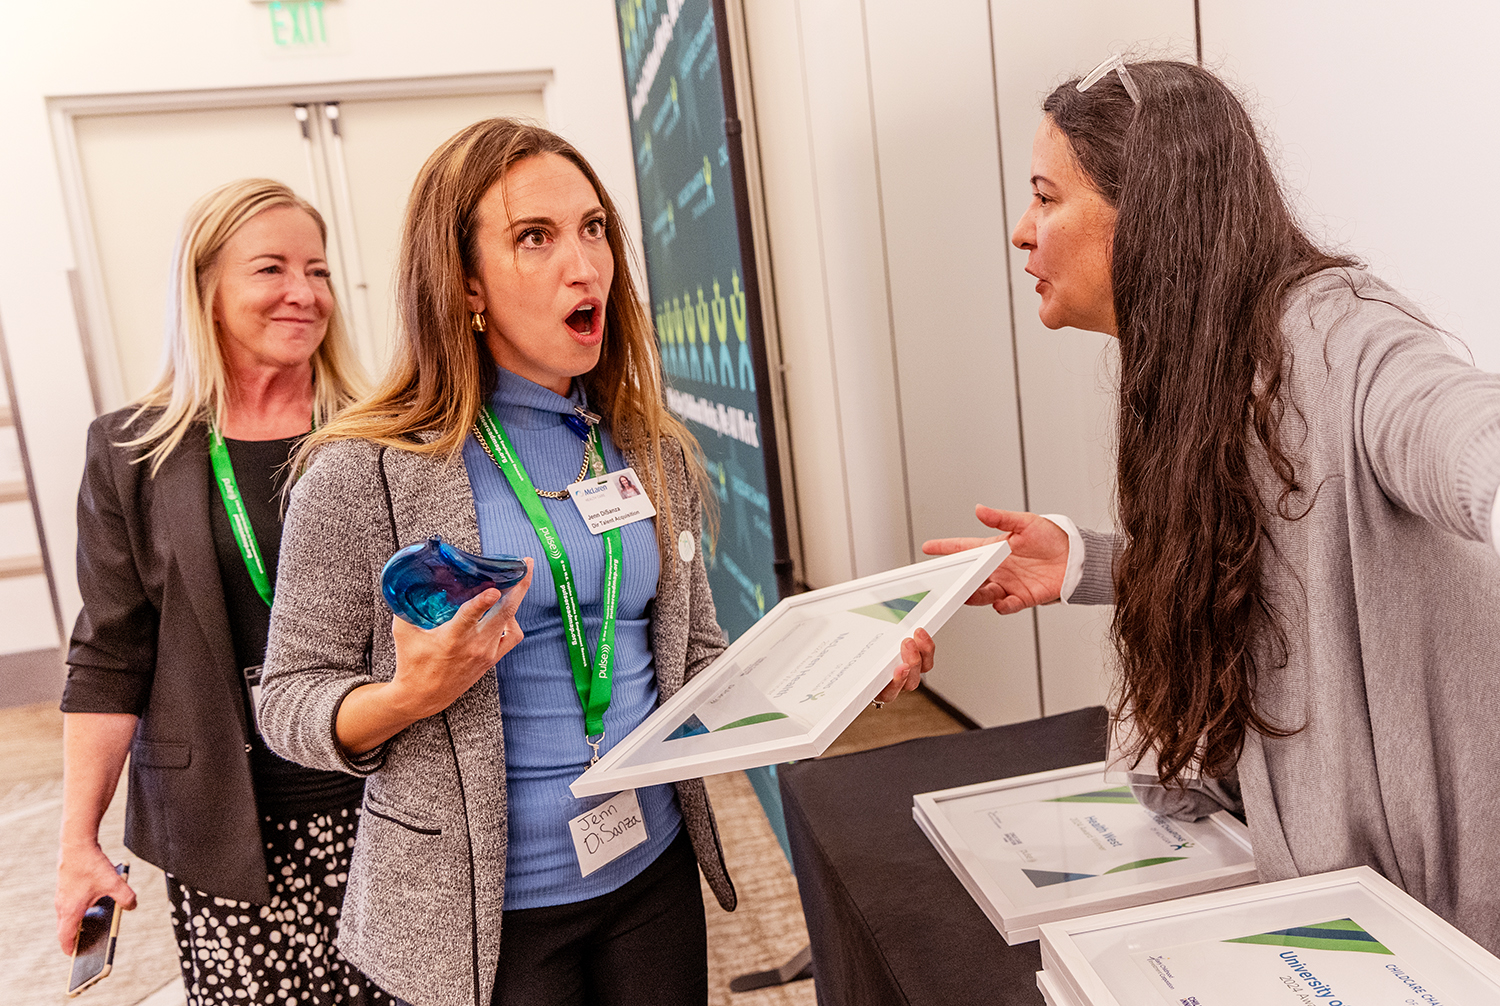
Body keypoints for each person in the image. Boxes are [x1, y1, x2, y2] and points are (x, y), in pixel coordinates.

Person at [257, 118, 935, 1006]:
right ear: (464, 284)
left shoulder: (653, 453)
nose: (585, 266)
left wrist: (845, 670)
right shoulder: (364, 471)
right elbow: (286, 699)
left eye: (594, 228)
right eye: (534, 238)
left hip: (650, 870)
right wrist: (404, 698)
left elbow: (694, 664)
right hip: (484, 917)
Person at [925, 59, 1500, 952]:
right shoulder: (1206, 364)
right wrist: (1090, 561)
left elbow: (1457, 429)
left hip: (1438, 935)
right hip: (1322, 901)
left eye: (1046, 198)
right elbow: (1267, 558)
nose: (1020, 231)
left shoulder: (1343, 334)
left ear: (1147, 211)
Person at [55, 178, 383, 1003]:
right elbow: (110, 654)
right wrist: (77, 839)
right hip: (227, 823)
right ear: (204, 286)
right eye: (270, 269)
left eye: (319, 270)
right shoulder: (132, 451)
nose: (303, 293)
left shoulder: (382, 432)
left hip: (385, 799)